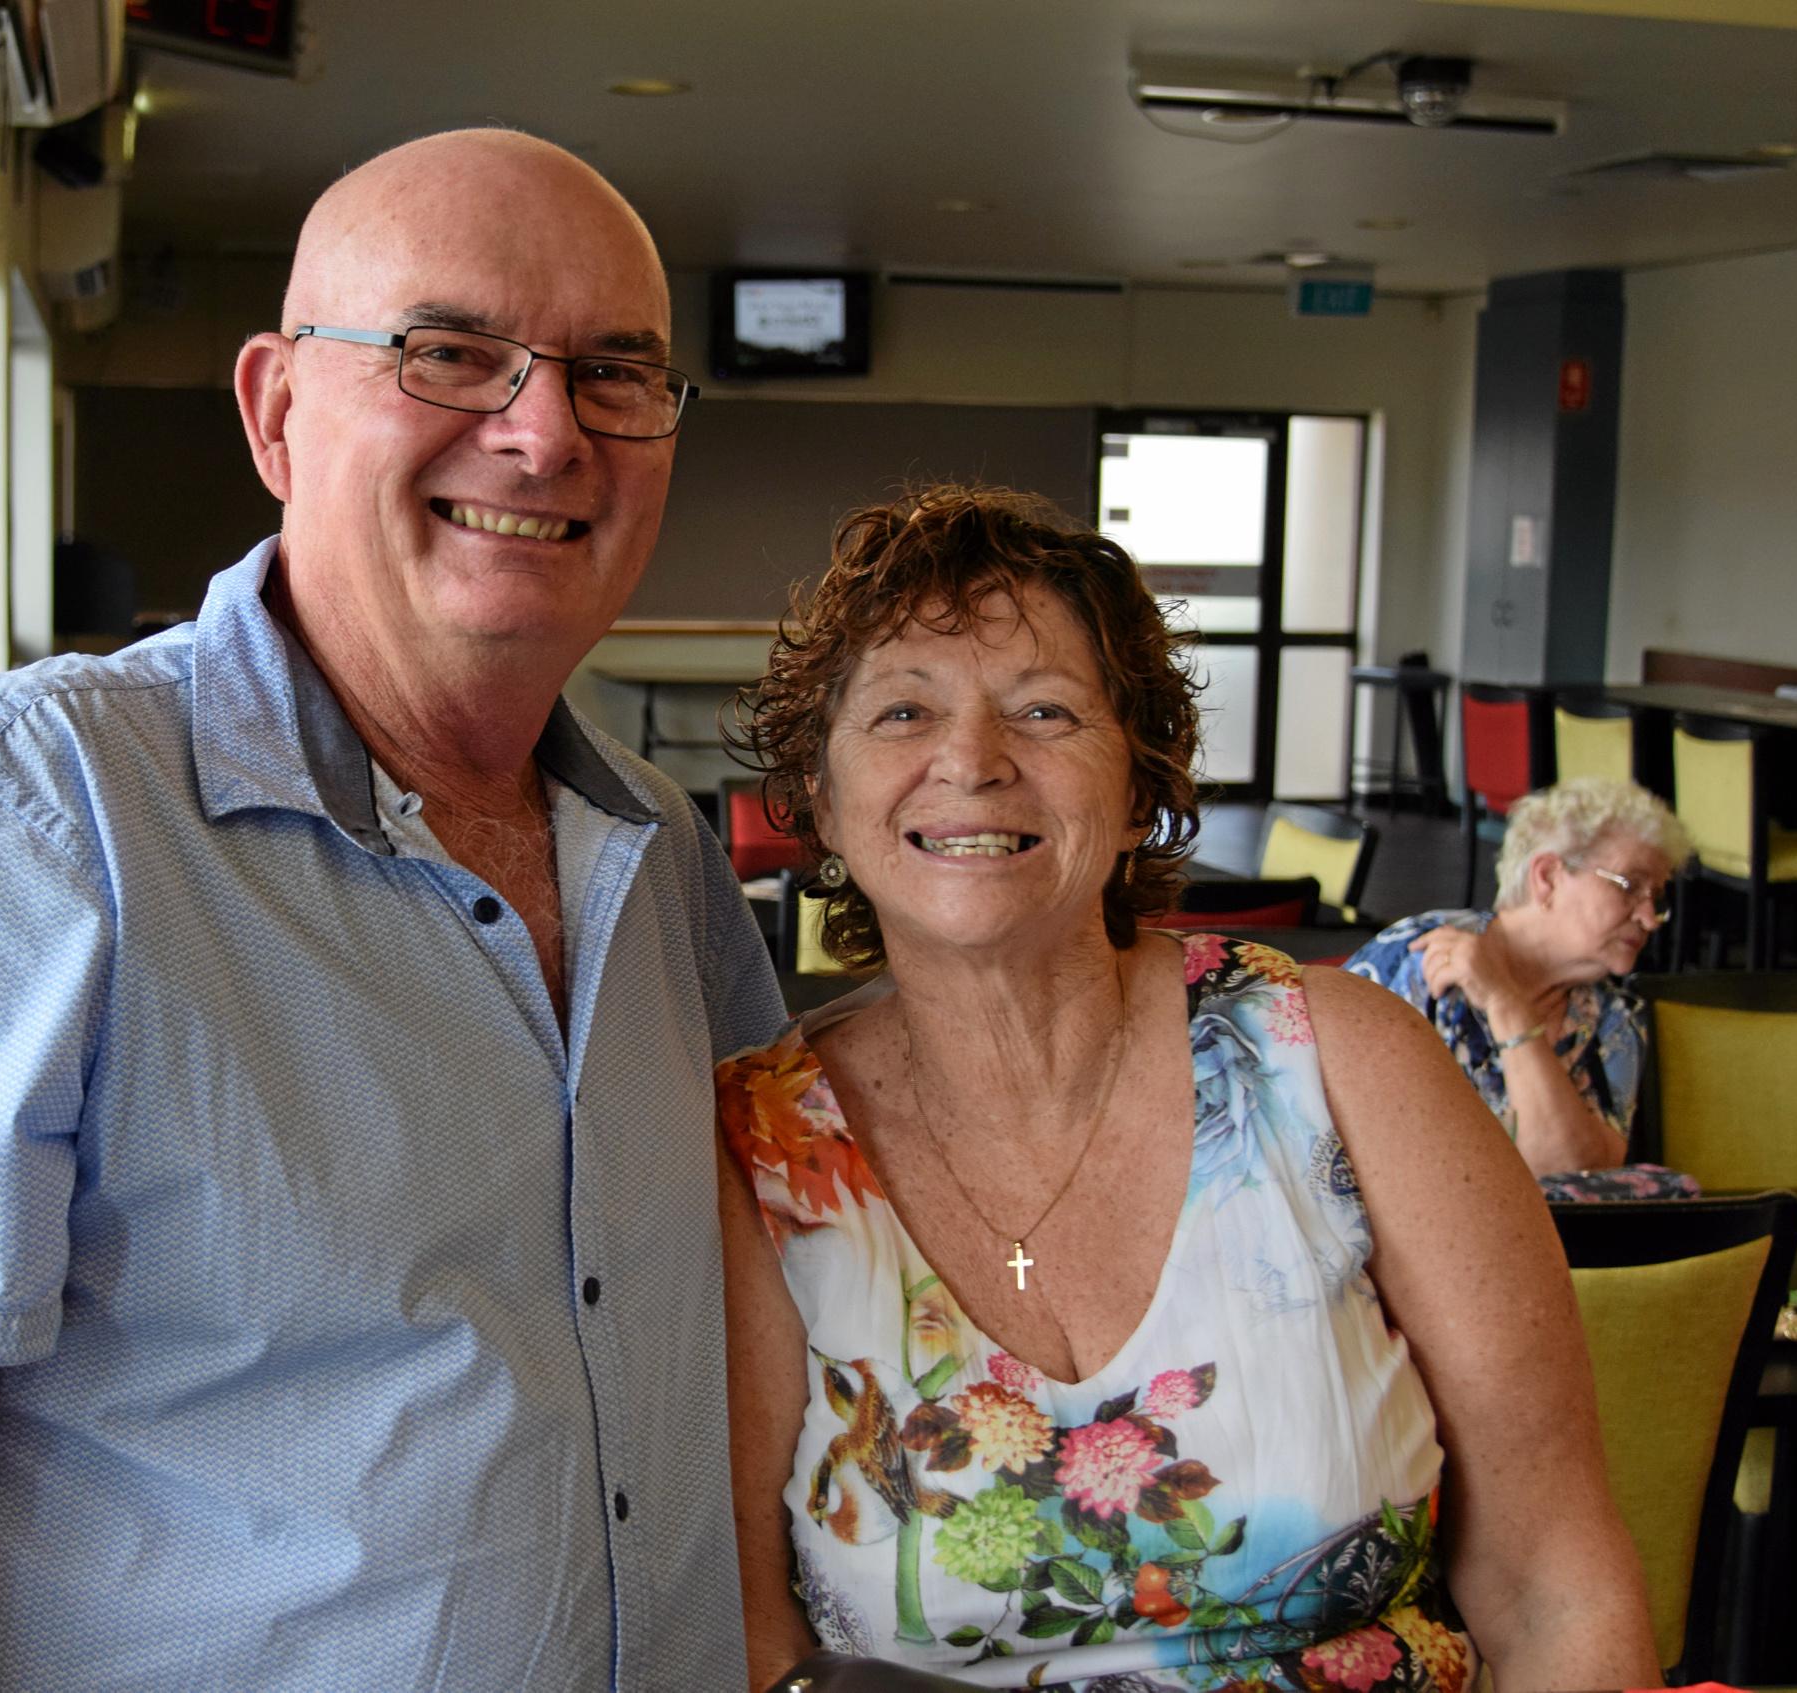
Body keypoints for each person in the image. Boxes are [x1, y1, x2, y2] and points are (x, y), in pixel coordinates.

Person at [0, 130, 785, 1691]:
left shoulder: (660, 857)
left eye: (615, 372)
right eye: (451, 354)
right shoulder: (27, 826)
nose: (544, 432)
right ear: (275, 409)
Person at [714, 486, 1657, 1690]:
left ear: (1138, 784)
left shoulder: (1341, 1059)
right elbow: (748, 1635)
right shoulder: (757, 1147)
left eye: (1045, 711)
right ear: (823, 805)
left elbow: (1554, 1582)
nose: (971, 761)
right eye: (904, 711)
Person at [1343, 779, 1697, 1202]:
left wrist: (1506, 1005)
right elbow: (1357, 1145)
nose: (1649, 918)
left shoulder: (1610, 1022)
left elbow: (1577, 1178)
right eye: (1630, 886)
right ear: (1547, 877)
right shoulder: (1422, 958)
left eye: (1656, 897)